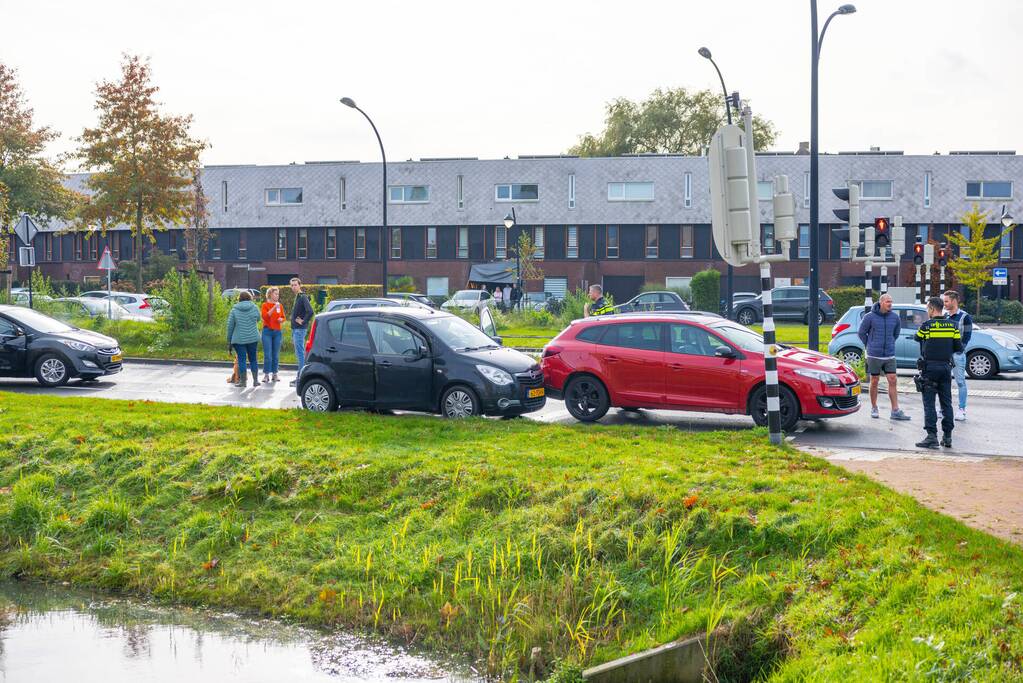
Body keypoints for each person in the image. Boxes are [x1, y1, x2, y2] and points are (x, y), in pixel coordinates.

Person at [914, 296, 963, 449]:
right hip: (946, 368)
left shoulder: (927, 326)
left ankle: (931, 437)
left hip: (930, 369)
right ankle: (947, 437)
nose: (927, 311)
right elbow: (958, 348)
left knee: (929, 403)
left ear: (932, 309)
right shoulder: (953, 326)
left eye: (928, 308)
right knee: (946, 403)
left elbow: (917, 338)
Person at [857, 293, 910, 421]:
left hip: (889, 355)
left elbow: (896, 333)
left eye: (891, 302)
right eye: (887, 302)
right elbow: (861, 332)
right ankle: (874, 407)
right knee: (874, 380)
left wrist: (890, 342)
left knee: (892, 380)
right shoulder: (870, 317)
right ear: (881, 302)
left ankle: (895, 410)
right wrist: (870, 344)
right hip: (874, 354)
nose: (890, 304)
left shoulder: (895, 317)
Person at [942, 290, 973, 421]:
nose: (944, 304)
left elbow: (967, 337)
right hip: (945, 355)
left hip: (958, 355)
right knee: (944, 382)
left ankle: (961, 410)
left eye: (946, 301)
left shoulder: (965, 317)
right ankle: (944, 408)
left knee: (960, 382)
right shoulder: (945, 316)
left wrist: (959, 351)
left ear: (954, 301)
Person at [227, 290, 261, 388]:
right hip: (252, 338)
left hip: (239, 339)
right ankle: (255, 381)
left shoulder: (234, 309)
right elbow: (258, 318)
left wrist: (229, 340)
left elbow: (230, 326)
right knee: (253, 359)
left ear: (239, 299)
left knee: (242, 359)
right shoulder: (254, 307)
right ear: (250, 298)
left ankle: (243, 382)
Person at [289, 278, 314, 387]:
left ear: (300, 285)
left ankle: (300, 379)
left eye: (295, 285)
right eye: (292, 285)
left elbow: (310, 311)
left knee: (300, 355)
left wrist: (303, 321)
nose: (293, 287)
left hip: (299, 330)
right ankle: (299, 378)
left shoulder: (303, 297)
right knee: (299, 354)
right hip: (296, 329)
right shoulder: (297, 297)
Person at [260, 286, 286, 383]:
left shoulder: (280, 306)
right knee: (268, 355)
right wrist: (274, 307)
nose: (277, 296)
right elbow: (265, 317)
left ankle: (275, 374)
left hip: (277, 332)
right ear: (270, 294)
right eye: (276, 294)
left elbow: (283, 317)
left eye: (278, 294)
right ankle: (266, 375)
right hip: (267, 332)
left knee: (275, 355)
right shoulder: (265, 305)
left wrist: (281, 320)